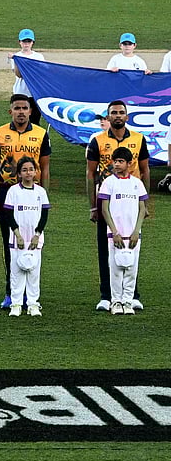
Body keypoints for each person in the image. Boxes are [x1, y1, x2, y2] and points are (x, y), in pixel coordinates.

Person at [86, 100, 150, 311]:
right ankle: (107, 295)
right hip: (107, 200)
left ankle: (133, 295)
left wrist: (145, 202)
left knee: (133, 246)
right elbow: (90, 174)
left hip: (131, 201)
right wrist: (93, 206)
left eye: (121, 112)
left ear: (127, 116)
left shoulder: (139, 139)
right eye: (114, 113)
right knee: (106, 249)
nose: (118, 116)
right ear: (108, 117)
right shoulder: (97, 140)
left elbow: (145, 170)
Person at [0, 95, 50, 309]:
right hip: (7, 192)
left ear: (31, 111)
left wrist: (44, 195)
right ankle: (11, 293)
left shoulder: (41, 134)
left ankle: (31, 295)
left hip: (34, 193)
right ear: (11, 112)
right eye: (17, 108)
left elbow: (46, 167)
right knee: (11, 244)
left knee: (34, 241)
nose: (21, 112)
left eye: (25, 108)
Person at [98, 147, 148, 315]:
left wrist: (137, 231)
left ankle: (128, 301)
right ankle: (116, 301)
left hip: (133, 234)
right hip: (115, 235)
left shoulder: (137, 184)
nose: (117, 164)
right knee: (116, 268)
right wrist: (114, 231)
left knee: (131, 268)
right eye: (115, 161)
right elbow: (105, 210)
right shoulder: (108, 183)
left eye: (120, 161)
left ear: (129, 163)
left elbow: (142, 209)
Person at [4, 156, 49, 317]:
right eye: (24, 170)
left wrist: (37, 235)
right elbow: (8, 214)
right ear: (19, 173)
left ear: (36, 172)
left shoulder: (41, 192)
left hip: (35, 240)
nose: (28, 173)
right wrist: (17, 234)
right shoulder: (13, 191)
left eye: (31, 169)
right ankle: (16, 304)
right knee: (16, 272)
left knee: (33, 272)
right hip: (18, 239)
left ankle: (33, 304)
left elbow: (44, 215)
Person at [8, 29, 44, 96]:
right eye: (24, 41)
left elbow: (41, 73)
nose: (26, 44)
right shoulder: (17, 56)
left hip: (34, 91)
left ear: (32, 42)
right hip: (20, 91)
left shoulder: (39, 56)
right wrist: (16, 60)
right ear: (20, 42)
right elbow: (18, 75)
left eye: (29, 41)